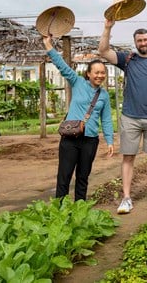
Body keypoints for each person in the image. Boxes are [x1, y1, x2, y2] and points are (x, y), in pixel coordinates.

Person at [99, 20, 147, 214]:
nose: (142, 43)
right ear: (135, 42)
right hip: (130, 117)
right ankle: (126, 198)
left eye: (145, 39)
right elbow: (103, 51)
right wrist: (108, 27)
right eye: (139, 40)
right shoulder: (127, 60)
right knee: (128, 157)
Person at [43, 35, 114, 201]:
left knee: (83, 177)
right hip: (70, 137)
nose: (100, 76)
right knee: (64, 176)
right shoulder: (77, 82)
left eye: (103, 73)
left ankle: (79, 211)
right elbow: (62, 66)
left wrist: (110, 141)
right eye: (96, 72)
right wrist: (48, 45)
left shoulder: (103, 95)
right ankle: (60, 211)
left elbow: (106, 119)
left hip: (90, 140)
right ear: (88, 74)